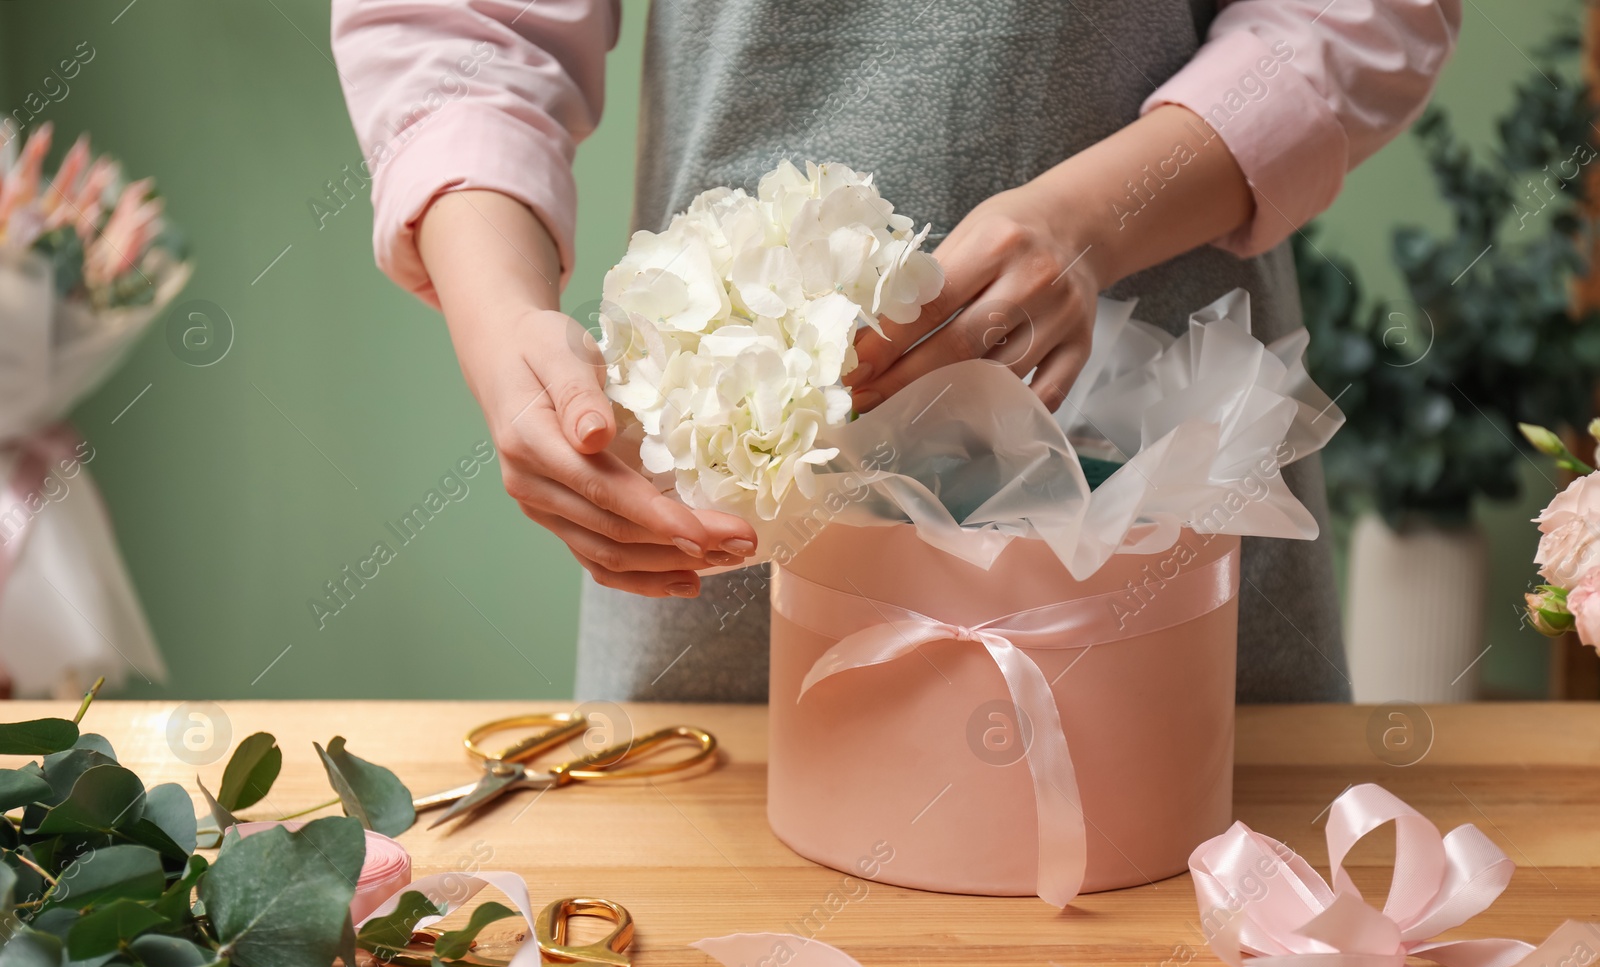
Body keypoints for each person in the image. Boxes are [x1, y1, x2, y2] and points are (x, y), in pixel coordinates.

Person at [332, 0, 1461, 703]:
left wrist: (1094, 222)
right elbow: (462, 28)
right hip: (732, 601)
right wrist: (503, 326)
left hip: (1161, 572)